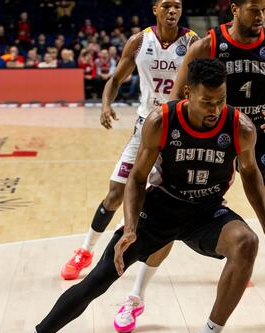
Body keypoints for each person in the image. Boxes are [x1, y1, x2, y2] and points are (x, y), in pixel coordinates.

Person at [1, 59, 265, 333]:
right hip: (161, 208)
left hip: (206, 212)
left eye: (220, 100)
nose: (215, 109)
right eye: (206, 101)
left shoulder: (240, 127)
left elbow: (251, 174)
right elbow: (137, 178)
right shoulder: (162, 120)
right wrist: (129, 229)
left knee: (247, 241)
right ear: (188, 93)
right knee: (99, 280)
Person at [116, 0, 265, 333]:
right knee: (168, 222)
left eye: (264, 9)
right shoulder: (207, 45)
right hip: (206, 138)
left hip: (255, 138)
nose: (261, 16)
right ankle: (136, 297)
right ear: (235, 9)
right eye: (254, 9)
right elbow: (178, 97)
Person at [59, 1, 197, 297]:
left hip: (180, 128)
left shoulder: (192, 41)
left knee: (189, 196)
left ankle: (223, 250)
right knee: (114, 192)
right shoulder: (139, 41)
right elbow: (116, 79)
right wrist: (106, 103)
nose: (173, 11)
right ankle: (85, 251)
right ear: (155, 9)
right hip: (145, 125)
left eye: (178, 6)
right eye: (167, 5)